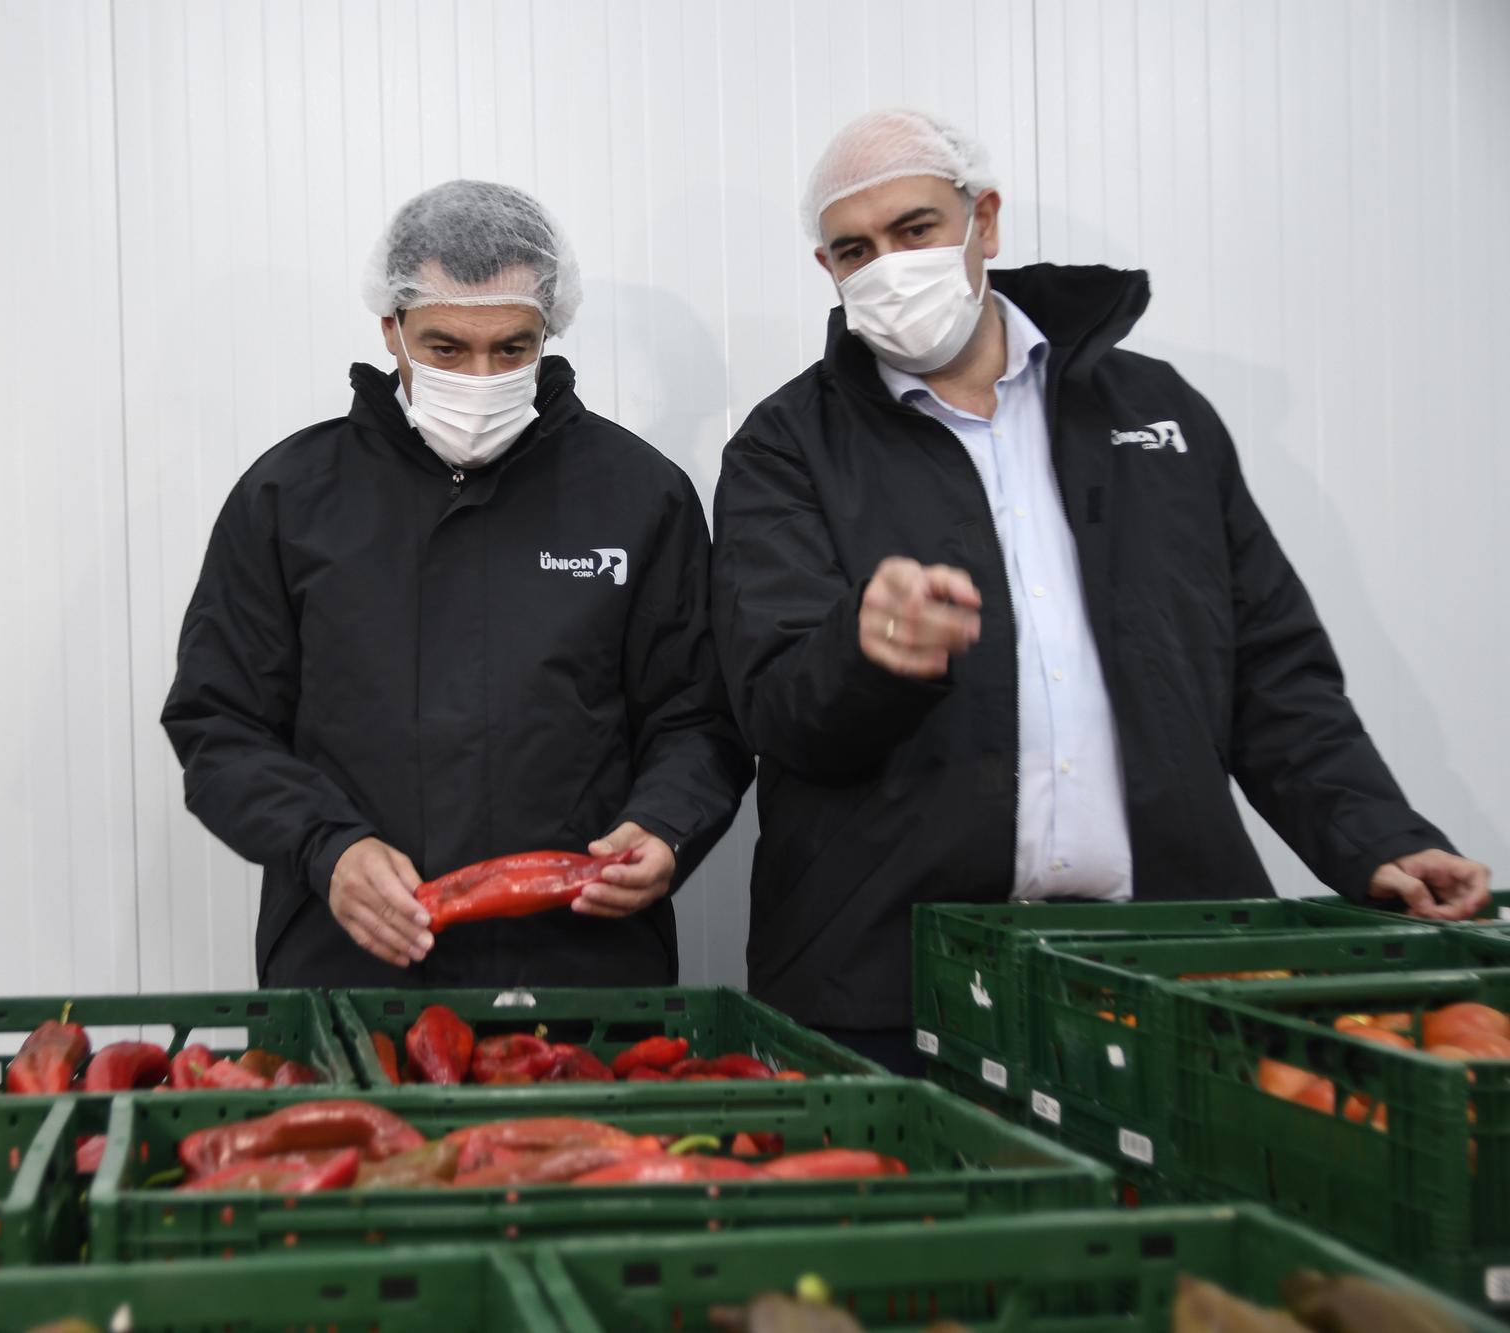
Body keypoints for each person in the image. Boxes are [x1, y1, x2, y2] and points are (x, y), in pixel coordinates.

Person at [710, 109, 1491, 1072]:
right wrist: (865, 651)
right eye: (852, 249)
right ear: (827, 269)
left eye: (915, 230)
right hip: (887, 981)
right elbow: (776, 708)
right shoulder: (785, 447)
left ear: (983, 223)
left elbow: (1271, 671)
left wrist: (1376, 834)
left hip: (1168, 963)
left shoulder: (1159, 415)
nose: (888, 266)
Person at [164, 180, 751, 988]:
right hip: (354, 966)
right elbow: (218, 723)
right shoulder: (290, 499)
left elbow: (701, 716)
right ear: (392, 331)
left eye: (511, 348)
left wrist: (666, 824)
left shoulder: (640, 496)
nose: (481, 377)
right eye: (445, 348)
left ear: (549, 329)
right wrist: (324, 846)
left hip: (584, 970)